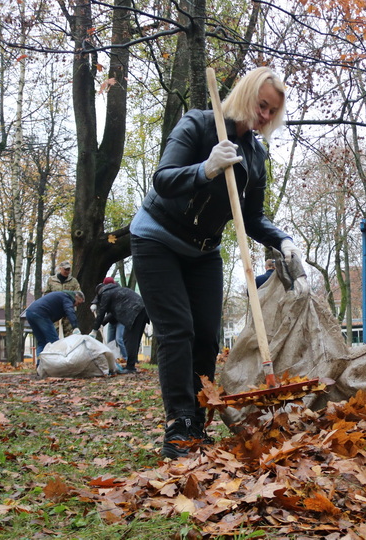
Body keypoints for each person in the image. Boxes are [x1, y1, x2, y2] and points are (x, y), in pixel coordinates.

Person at [130, 66, 305, 459]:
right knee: (178, 331)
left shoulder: (256, 156)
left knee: (207, 336)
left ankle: (197, 420)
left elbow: (253, 217)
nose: (264, 116)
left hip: (203, 250)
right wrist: (205, 168)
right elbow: (164, 179)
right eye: (261, 105)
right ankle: (178, 426)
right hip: (156, 237)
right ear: (245, 94)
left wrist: (283, 240)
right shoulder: (198, 124)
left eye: (272, 112)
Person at [89, 280, 149, 374]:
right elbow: (112, 313)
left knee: (129, 339)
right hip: (142, 310)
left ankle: (130, 367)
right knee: (133, 338)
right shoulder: (116, 291)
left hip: (134, 312)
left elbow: (102, 312)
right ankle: (131, 365)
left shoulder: (106, 293)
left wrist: (94, 330)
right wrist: (102, 324)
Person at [25, 291, 85, 362]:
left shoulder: (61, 295)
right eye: (78, 303)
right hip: (41, 314)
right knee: (55, 342)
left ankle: (40, 366)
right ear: (76, 297)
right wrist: (75, 327)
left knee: (42, 342)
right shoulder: (67, 298)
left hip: (29, 313)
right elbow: (69, 311)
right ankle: (57, 366)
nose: (76, 306)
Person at [43, 261, 81, 335]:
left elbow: (78, 294)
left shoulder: (73, 281)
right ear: (60, 269)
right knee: (55, 333)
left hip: (68, 312)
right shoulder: (51, 280)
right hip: (55, 311)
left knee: (69, 334)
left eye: (68, 269)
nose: (67, 271)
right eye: (65, 269)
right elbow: (46, 294)